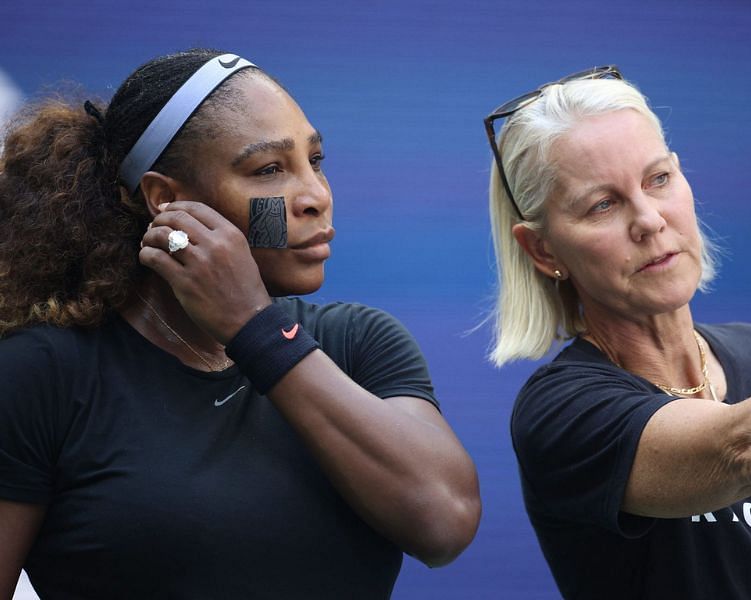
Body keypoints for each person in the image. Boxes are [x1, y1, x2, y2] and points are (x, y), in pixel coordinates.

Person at [0, 49, 481, 598]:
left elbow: (444, 523)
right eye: (269, 169)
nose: (316, 197)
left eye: (316, 160)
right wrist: (249, 320)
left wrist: (255, 329)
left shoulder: (357, 342)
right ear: (167, 201)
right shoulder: (43, 374)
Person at [482, 66, 751, 599]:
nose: (649, 219)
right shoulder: (558, 410)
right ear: (543, 250)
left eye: (658, 179)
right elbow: (740, 450)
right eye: (603, 204)